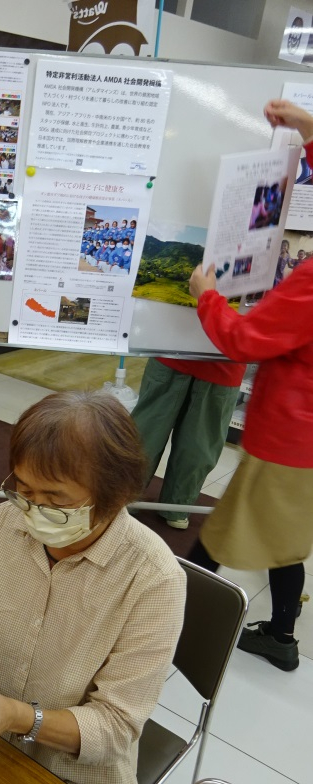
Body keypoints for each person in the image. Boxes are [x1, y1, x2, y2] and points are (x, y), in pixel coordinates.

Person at [0, 391, 186, 784]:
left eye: (57, 500)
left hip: (69, 778)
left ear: (113, 497)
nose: (35, 510)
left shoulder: (153, 580)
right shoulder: (5, 521)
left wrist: (21, 718)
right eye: (24, 489)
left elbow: (115, 727)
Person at [185, 98, 313, 672]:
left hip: (290, 436)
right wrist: (309, 132)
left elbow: (246, 339)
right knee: (284, 536)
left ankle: (174, 619)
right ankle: (282, 635)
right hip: (302, 438)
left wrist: (206, 296)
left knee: (219, 539)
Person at [130, 354, 243, 530]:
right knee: (200, 441)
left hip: (175, 350)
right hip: (222, 359)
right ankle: (176, 507)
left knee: (148, 429)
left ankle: (127, 495)